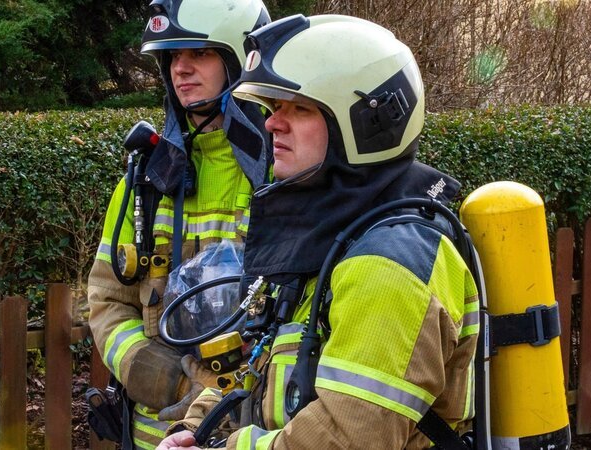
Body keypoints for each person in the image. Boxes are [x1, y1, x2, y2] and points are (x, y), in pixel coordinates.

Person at [156, 14, 479, 450]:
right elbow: (262, 370)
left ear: (365, 124)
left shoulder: (388, 264)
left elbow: (348, 438)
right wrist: (197, 428)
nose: (271, 124)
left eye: (299, 108)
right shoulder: (326, 236)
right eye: (272, 108)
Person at [87, 0, 271, 448]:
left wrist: (217, 394)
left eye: (199, 54)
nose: (180, 69)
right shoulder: (145, 182)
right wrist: (168, 380)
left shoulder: (285, 173)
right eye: (172, 57)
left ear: (239, 60)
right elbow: (106, 302)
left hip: (256, 433)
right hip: (156, 438)